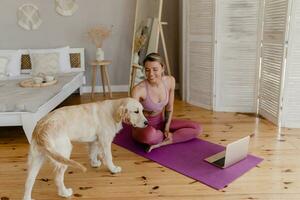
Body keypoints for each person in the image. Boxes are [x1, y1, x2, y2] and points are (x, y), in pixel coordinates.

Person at [131, 53, 202, 152]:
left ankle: (163, 141)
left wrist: (166, 128)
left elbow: (169, 108)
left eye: (155, 69)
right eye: (147, 70)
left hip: (161, 122)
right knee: (150, 135)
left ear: (162, 68)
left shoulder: (170, 81)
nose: (151, 74)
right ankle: (160, 138)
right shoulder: (138, 90)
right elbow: (133, 117)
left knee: (197, 128)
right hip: (144, 127)